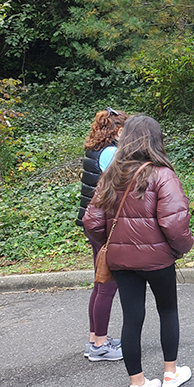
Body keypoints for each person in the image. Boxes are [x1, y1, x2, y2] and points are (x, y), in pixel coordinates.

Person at [83, 115, 194, 387]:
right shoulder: (162, 175)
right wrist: (179, 250)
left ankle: (137, 385)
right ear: (156, 139)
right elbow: (175, 224)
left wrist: (111, 244)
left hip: (121, 261)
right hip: (158, 260)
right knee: (167, 311)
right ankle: (170, 373)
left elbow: (92, 222)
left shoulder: (111, 175)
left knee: (132, 318)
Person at [76, 107, 128, 362]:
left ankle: (95, 339)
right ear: (118, 131)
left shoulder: (95, 150)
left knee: (100, 283)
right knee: (107, 284)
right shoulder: (111, 153)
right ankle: (100, 345)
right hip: (103, 224)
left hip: (92, 222)